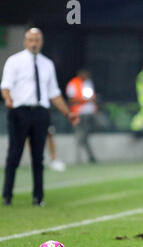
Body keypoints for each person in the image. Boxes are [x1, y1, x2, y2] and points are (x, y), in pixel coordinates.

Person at [1, 28, 79, 207]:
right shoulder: (15, 61)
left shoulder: (47, 64)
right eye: (31, 40)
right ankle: (7, 196)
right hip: (19, 110)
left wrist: (68, 113)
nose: (34, 43)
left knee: (38, 157)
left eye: (37, 40)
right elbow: (5, 85)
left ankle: (38, 197)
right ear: (25, 41)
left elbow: (54, 93)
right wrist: (8, 98)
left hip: (41, 113)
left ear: (41, 42)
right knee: (14, 155)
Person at [66, 69, 97, 163]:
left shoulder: (88, 83)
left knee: (85, 135)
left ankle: (88, 156)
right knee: (81, 136)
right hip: (78, 113)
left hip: (89, 114)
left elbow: (92, 98)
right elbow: (71, 100)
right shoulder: (73, 84)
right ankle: (82, 157)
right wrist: (84, 101)